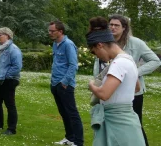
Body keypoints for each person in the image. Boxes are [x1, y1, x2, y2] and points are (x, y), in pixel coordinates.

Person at [92, 14, 160, 146]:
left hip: (131, 93)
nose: (112, 27)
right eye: (110, 25)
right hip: (108, 91)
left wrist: (134, 73)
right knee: (108, 125)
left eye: (116, 25)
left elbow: (155, 61)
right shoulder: (105, 42)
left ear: (124, 28)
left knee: (134, 127)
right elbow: (99, 64)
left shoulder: (136, 43)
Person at [48, 21, 84, 146]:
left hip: (65, 85)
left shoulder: (68, 44)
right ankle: (70, 138)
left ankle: (78, 142)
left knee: (72, 113)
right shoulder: (55, 44)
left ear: (60, 31)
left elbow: (73, 65)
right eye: (49, 31)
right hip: (55, 83)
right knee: (63, 112)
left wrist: (64, 82)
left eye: (52, 31)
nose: (50, 33)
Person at [0, 27, 22, 135]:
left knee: (9, 104)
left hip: (9, 80)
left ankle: (11, 129)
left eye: (0, 35)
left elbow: (17, 66)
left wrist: (6, 75)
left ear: (7, 36)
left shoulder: (13, 49)